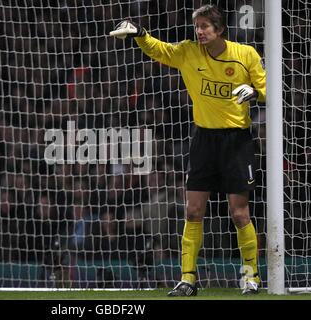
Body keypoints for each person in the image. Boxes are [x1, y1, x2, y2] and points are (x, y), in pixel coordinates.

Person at [110, 4, 266, 296]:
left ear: (219, 29)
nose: (200, 32)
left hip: (237, 141)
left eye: (205, 26)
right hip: (203, 140)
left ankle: (251, 276)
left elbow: (269, 87)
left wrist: (256, 92)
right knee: (193, 212)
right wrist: (140, 34)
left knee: (239, 213)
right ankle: (188, 279)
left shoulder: (245, 55)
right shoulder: (189, 51)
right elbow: (160, 50)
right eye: (198, 27)